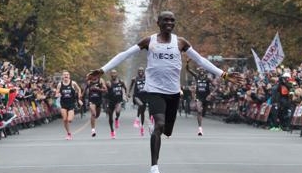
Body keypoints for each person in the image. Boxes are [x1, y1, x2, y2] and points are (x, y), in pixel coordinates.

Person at [90, 10, 243, 173]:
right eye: (165, 20)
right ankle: (154, 166)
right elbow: (125, 54)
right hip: (154, 90)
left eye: (172, 20)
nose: (169, 23)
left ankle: (157, 129)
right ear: (158, 23)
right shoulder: (149, 41)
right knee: (159, 125)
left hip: (173, 92)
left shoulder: (180, 42)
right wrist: (103, 69)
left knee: (167, 131)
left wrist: (223, 74)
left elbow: (200, 59)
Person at [186, 59, 214, 136]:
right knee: (199, 111)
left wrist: (211, 94)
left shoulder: (208, 79)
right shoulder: (197, 76)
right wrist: (187, 63)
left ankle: (203, 115)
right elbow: (188, 69)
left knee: (203, 112)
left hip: (206, 97)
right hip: (199, 97)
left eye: (202, 69)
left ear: (205, 71)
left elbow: (216, 86)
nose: (201, 71)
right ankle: (200, 128)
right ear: (198, 71)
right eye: (200, 69)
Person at [55, 70, 83, 140]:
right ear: (62, 77)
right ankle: (69, 134)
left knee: (69, 120)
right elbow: (56, 93)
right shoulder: (60, 84)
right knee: (65, 120)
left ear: (69, 76)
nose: (66, 76)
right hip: (63, 104)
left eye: (67, 75)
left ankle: (69, 129)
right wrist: (58, 94)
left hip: (71, 104)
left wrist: (79, 98)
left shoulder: (73, 83)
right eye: (64, 75)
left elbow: (79, 89)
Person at [105, 69, 127, 139]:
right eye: (112, 73)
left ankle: (117, 119)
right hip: (110, 101)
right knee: (110, 117)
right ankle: (112, 131)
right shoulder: (108, 82)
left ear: (117, 74)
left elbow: (125, 88)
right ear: (110, 75)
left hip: (118, 100)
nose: (113, 75)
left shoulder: (121, 82)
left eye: (114, 73)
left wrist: (126, 95)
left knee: (117, 112)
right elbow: (105, 90)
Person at [84, 72, 107, 137]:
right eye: (92, 75)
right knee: (93, 114)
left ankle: (93, 119)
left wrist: (98, 89)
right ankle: (93, 130)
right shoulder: (89, 82)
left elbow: (105, 90)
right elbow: (85, 90)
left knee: (97, 115)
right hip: (91, 100)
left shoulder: (101, 81)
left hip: (99, 101)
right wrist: (81, 96)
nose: (94, 76)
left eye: (95, 75)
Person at [128, 67, 148, 136]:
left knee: (143, 113)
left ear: (143, 71)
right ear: (137, 72)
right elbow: (131, 86)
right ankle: (136, 119)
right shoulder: (134, 79)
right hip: (136, 96)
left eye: (142, 71)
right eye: (139, 71)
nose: (140, 72)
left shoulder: (147, 78)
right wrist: (129, 93)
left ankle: (142, 127)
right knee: (141, 105)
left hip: (145, 97)